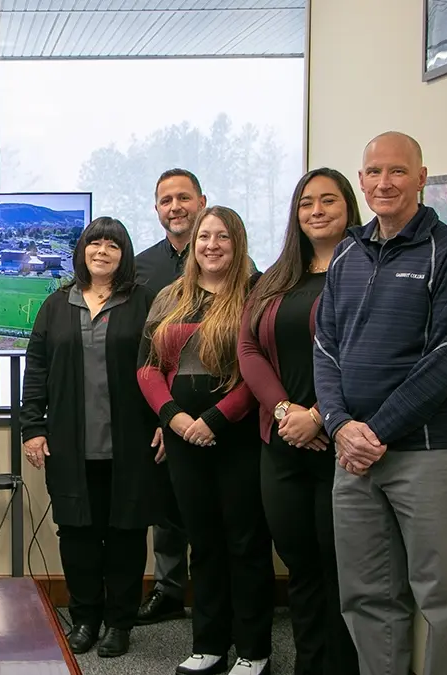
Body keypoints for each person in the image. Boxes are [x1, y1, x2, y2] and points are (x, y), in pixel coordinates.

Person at [313, 131, 447, 675]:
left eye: (397, 171)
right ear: (361, 180)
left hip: (424, 454)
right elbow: (326, 346)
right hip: (352, 457)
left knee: (442, 599)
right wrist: (339, 425)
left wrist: (373, 431)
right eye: (373, 172)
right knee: (367, 596)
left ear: (421, 177)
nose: (384, 182)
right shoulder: (348, 251)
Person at [138, 206, 273, 675]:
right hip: (182, 440)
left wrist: (214, 419)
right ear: (192, 245)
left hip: (237, 437)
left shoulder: (257, 296)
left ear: (238, 243)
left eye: (222, 237)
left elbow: (260, 370)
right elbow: (148, 368)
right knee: (204, 542)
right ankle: (209, 645)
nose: (211, 245)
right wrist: (174, 419)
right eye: (203, 237)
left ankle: (254, 651)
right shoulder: (169, 298)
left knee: (244, 542)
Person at [21, 217, 164, 658]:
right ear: (82, 251)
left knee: (126, 533)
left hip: (131, 442)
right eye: (94, 243)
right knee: (77, 534)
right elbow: (37, 369)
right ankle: (85, 618)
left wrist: (166, 417)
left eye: (112, 245)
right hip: (69, 443)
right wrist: (32, 427)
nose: (102, 251)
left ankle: (119, 623)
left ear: (125, 254)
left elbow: (164, 363)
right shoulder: (55, 304)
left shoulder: (145, 302)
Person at [238, 168, 361, 675]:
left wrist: (319, 417)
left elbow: (371, 354)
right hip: (281, 440)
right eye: (306, 202)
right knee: (301, 564)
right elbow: (248, 347)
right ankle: (310, 664)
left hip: (342, 442)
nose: (316, 210)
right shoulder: (276, 278)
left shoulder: (366, 270)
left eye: (328, 200)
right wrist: (287, 411)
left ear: (349, 207)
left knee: (342, 568)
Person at [133, 168, 207, 625]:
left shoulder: (234, 262)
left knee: (219, 510)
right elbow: (141, 353)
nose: (175, 207)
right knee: (169, 508)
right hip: (164, 411)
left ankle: (217, 594)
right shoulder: (142, 269)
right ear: (156, 209)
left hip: (221, 409)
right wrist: (163, 419)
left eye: (184, 197)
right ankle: (169, 589)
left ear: (202, 201)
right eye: (166, 200)